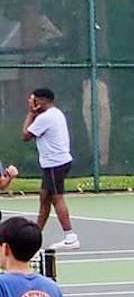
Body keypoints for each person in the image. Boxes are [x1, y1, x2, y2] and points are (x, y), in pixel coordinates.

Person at [21, 88, 78, 250]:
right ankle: (35, 235)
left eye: (34, 100)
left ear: (42, 101)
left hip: (55, 163)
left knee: (56, 198)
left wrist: (30, 113)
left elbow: (25, 135)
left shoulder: (45, 117)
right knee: (44, 197)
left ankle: (70, 236)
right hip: (54, 163)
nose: (33, 103)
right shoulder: (56, 113)